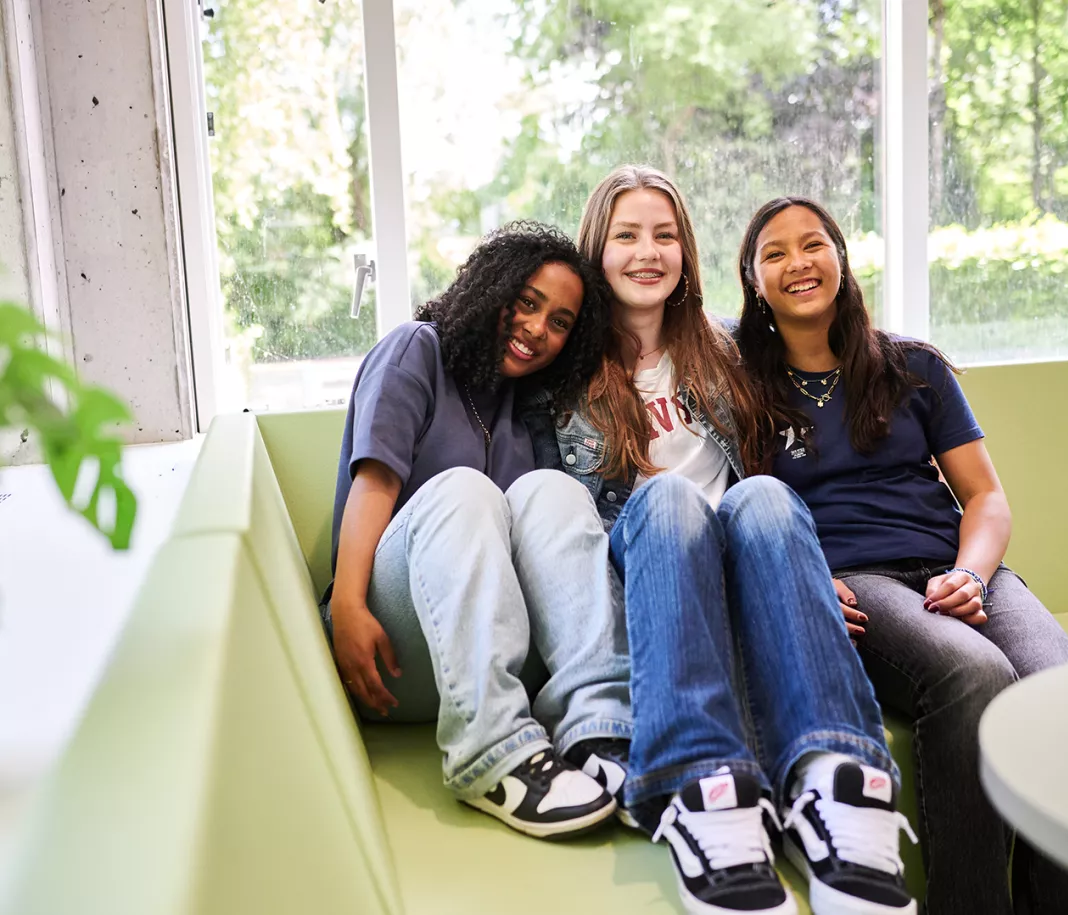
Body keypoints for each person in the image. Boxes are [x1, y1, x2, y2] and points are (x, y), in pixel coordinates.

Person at [734, 196, 1068, 915]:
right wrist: (804, 579)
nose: (798, 262)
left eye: (813, 243)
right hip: (855, 582)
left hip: (956, 567)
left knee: (1065, 689)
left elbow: (986, 497)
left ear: (841, 258)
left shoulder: (911, 365)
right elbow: (743, 513)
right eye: (775, 252)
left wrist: (972, 573)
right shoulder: (740, 388)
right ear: (752, 280)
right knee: (972, 672)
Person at [555, 165, 918, 915]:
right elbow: (560, 526)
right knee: (669, 499)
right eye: (627, 235)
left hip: (746, 566)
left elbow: (798, 457)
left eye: (664, 235)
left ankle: (838, 791)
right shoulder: (560, 379)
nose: (647, 251)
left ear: (687, 252)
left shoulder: (726, 351)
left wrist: (813, 572)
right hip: (656, 572)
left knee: (762, 495)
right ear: (598, 249)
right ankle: (702, 794)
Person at [323, 221, 633, 840]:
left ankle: (602, 734)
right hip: (391, 649)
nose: (537, 329)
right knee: (465, 488)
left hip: (499, 663)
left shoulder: (529, 411)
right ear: (493, 290)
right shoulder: (418, 349)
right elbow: (376, 483)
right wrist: (349, 606)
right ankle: (491, 757)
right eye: (527, 303)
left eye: (560, 322)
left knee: (554, 490)